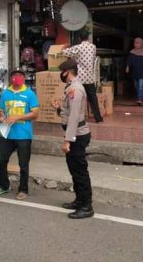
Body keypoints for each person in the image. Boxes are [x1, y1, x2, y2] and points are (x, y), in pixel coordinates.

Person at [51, 59, 94, 219]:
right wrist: (59, 108)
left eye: (62, 73)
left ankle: (86, 206)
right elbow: (69, 111)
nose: (61, 75)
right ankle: (79, 200)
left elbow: (74, 117)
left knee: (80, 171)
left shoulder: (75, 88)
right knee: (74, 170)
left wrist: (68, 140)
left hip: (77, 135)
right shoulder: (70, 87)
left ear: (66, 72)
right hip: (75, 134)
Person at [0, 69, 39, 200]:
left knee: (23, 165)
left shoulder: (29, 94)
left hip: (23, 135)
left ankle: (23, 189)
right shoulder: (5, 93)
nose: (18, 78)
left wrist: (17, 117)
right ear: (11, 78)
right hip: (7, 134)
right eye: (15, 76)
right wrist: (2, 117)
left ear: (23, 79)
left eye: (20, 76)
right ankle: (4, 186)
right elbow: (2, 110)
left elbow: (35, 114)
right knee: (0, 162)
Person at [62, 29, 103, 123]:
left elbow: (65, 52)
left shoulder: (78, 47)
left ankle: (78, 118)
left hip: (79, 78)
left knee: (77, 98)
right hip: (89, 77)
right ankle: (98, 118)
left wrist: (64, 47)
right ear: (88, 37)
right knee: (93, 98)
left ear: (80, 38)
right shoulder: (93, 47)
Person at [126, 37, 143, 105]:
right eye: (135, 43)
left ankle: (140, 99)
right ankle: (138, 97)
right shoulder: (132, 52)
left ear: (141, 44)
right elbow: (129, 60)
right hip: (135, 72)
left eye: (137, 43)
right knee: (136, 86)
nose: (135, 44)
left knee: (141, 86)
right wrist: (127, 67)